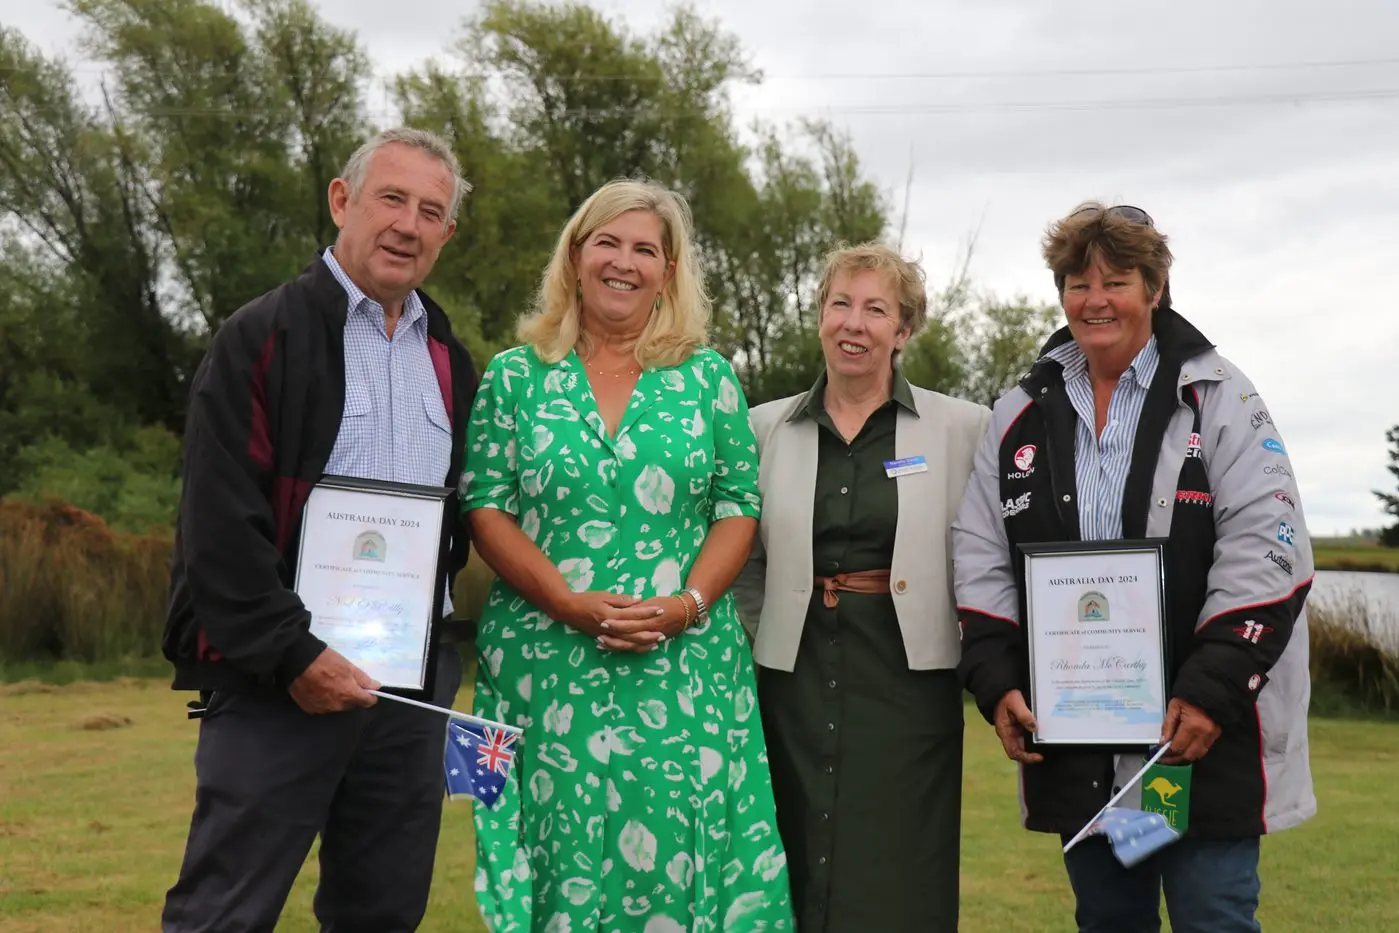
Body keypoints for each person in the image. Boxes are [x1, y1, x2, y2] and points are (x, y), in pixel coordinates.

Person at [953, 203, 1315, 933]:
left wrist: (1210, 688)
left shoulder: (1219, 395)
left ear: (1155, 288)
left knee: (1211, 913)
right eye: (1076, 283)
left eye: (1115, 281)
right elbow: (978, 550)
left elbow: (1268, 542)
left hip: (1192, 741)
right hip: (1085, 748)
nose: (1093, 300)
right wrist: (995, 680)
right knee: (1110, 918)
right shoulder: (1018, 410)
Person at [160, 127, 479, 932]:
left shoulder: (450, 357)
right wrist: (294, 655)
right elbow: (218, 528)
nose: (408, 224)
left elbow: (457, 525)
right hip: (278, 682)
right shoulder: (261, 337)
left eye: (431, 211)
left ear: (447, 234)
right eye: (392, 198)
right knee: (225, 911)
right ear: (342, 200)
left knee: (381, 912)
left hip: (407, 692)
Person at [461, 178, 794, 931]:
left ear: (668, 271)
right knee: (550, 849)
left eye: (645, 248)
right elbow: (485, 505)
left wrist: (687, 607)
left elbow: (739, 506)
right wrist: (564, 601)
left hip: (682, 671)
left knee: (686, 849)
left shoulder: (706, 377)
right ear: (575, 257)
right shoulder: (516, 376)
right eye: (606, 242)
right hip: (542, 667)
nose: (624, 261)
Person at [730, 243, 989, 932]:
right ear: (819, 316)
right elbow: (738, 557)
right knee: (790, 851)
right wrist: (765, 629)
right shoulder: (762, 427)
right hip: (790, 678)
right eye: (840, 303)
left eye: (876, 309)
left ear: (902, 331)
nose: (854, 322)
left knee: (899, 866)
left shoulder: (963, 429)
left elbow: (987, 554)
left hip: (909, 684)